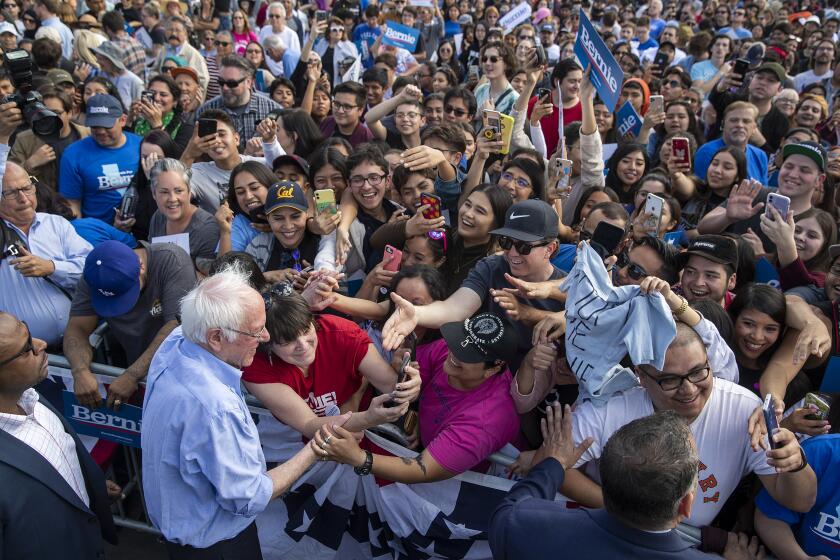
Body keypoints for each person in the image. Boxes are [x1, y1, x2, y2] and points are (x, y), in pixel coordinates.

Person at [561, 321, 818, 529]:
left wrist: (796, 464)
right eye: (670, 380)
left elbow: (800, 502)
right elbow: (554, 466)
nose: (689, 389)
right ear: (641, 375)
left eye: (698, 372)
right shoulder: (609, 409)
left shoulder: (745, 412)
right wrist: (627, 512)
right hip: (610, 528)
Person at [141, 267, 322, 558]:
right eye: (254, 331)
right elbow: (249, 497)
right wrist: (316, 448)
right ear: (215, 337)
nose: (265, 337)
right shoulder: (214, 409)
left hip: (184, 533)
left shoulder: (180, 339)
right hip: (217, 547)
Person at [489, 408, 763, 559]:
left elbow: (509, 509)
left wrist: (553, 464)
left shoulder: (523, 526)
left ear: (604, 482)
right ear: (686, 505)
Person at [313, 312, 522, 483]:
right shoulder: (448, 352)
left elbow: (423, 469)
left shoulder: (487, 419)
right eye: (458, 342)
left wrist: (358, 458)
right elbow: (408, 369)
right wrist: (400, 368)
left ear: (494, 369)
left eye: (467, 355)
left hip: (456, 484)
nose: (454, 353)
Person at [380, 199, 565, 368]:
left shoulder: (574, 288)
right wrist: (417, 313)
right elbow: (454, 309)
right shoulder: (492, 267)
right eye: (506, 242)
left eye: (524, 246)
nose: (513, 253)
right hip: (483, 378)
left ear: (550, 248)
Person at [0, 312, 119, 559]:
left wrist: (84, 483)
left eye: (30, 333)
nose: (42, 344)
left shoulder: (31, 395)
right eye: (26, 349)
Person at [64, 239, 196, 411]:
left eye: (126, 294)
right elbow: (77, 329)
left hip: (183, 373)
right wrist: (80, 371)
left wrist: (132, 375)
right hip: (137, 366)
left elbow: (175, 328)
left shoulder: (172, 261)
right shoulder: (96, 275)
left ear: (141, 266)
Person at [58, 94, 142, 224]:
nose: (101, 131)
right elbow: (72, 204)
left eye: (107, 125)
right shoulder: (73, 155)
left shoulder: (141, 146)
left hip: (141, 229)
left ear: (123, 120)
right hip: (99, 234)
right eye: (95, 126)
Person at [195, 55, 281, 152]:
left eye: (232, 84)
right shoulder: (205, 111)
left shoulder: (272, 109)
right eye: (221, 82)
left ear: (249, 82)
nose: (225, 88)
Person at [147, 158, 220, 272]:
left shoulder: (207, 227)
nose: (172, 199)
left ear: (189, 191)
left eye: (178, 191)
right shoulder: (158, 216)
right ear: (154, 194)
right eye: (164, 192)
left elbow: (210, 278)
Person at [9, 89, 89, 192]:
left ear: (70, 113)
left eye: (57, 113)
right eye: (45, 113)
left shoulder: (87, 135)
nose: (51, 118)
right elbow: (10, 179)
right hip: (45, 204)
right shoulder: (24, 140)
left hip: (82, 201)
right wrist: (30, 164)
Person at [692, 102, 768, 184]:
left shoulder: (760, 155)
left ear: (754, 128)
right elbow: (701, 190)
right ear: (723, 124)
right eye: (734, 120)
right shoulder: (706, 152)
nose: (740, 125)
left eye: (746, 121)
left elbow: (763, 192)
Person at [152, 16, 209, 93]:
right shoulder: (163, 50)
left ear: (185, 34)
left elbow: (203, 81)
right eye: (170, 30)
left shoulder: (193, 54)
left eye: (178, 30)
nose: (173, 33)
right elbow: (154, 70)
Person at [318, 81, 374, 148]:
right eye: (337, 104)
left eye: (347, 107)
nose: (340, 111)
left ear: (360, 110)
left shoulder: (367, 138)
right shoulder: (327, 122)